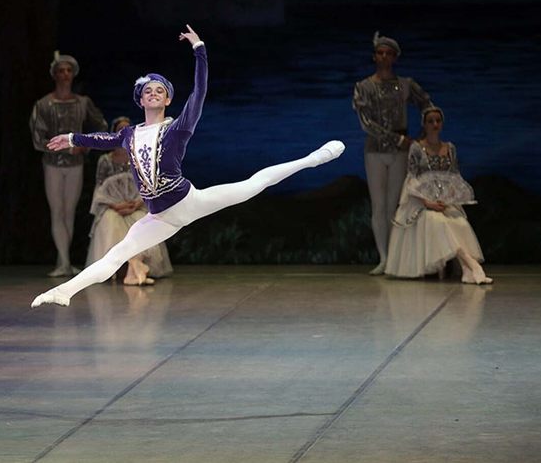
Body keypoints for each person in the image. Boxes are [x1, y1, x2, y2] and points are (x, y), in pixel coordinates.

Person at [31, 24, 345, 308]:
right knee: (115, 255)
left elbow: (200, 92)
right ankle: (65, 291)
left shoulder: (177, 128)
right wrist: (71, 138)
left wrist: (199, 50)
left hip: (187, 201)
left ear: (167, 99)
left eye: (160, 90)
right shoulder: (129, 134)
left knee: (253, 185)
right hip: (158, 217)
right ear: (141, 100)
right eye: (148, 91)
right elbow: (102, 139)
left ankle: (314, 158)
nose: (154, 94)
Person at [353, 32, 434, 275]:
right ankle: (384, 257)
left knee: (394, 204)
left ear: (395, 57)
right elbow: (366, 123)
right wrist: (398, 139)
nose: (384, 57)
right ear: (374, 56)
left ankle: (396, 257)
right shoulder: (364, 87)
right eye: (380, 53)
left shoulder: (406, 84)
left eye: (389, 53)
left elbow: (427, 104)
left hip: (400, 151)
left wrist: (422, 136)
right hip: (376, 150)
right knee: (378, 205)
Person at [384, 106, 492, 284]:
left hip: (444, 200)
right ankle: (473, 265)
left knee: (459, 222)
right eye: (430, 121)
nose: (435, 124)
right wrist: (428, 202)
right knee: (437, 222)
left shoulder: (449, 148)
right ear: (424, 125)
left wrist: (448, 199)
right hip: (421, 201)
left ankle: (466, 270)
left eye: (438, 121)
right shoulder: (417, 148)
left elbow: (454, 177)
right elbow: (412, 178)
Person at [29, 51, 108, 277]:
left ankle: (64, 261)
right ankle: (63, 262)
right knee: (57, 211)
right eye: (61, 71)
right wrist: (63, 147)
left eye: (68, 71)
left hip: (75, 164)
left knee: (69, 212)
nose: (65, 75)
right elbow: (38, 138)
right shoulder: (43, 104)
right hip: (53, 164)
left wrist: (86, 145)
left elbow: (101, 126)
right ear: (54, 74)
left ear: (73, 74)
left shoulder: (82, 103)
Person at [87, 116, 173, 285]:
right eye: (120, 130)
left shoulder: (140, 157)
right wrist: (115, 205)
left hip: (136, 205)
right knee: (110, 222)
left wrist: (137, 203)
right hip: (113, 207)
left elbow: (149, 185)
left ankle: (134, 268)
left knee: (143, 222)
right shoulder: (105, 160)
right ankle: (131, 269)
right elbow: (100, 188)